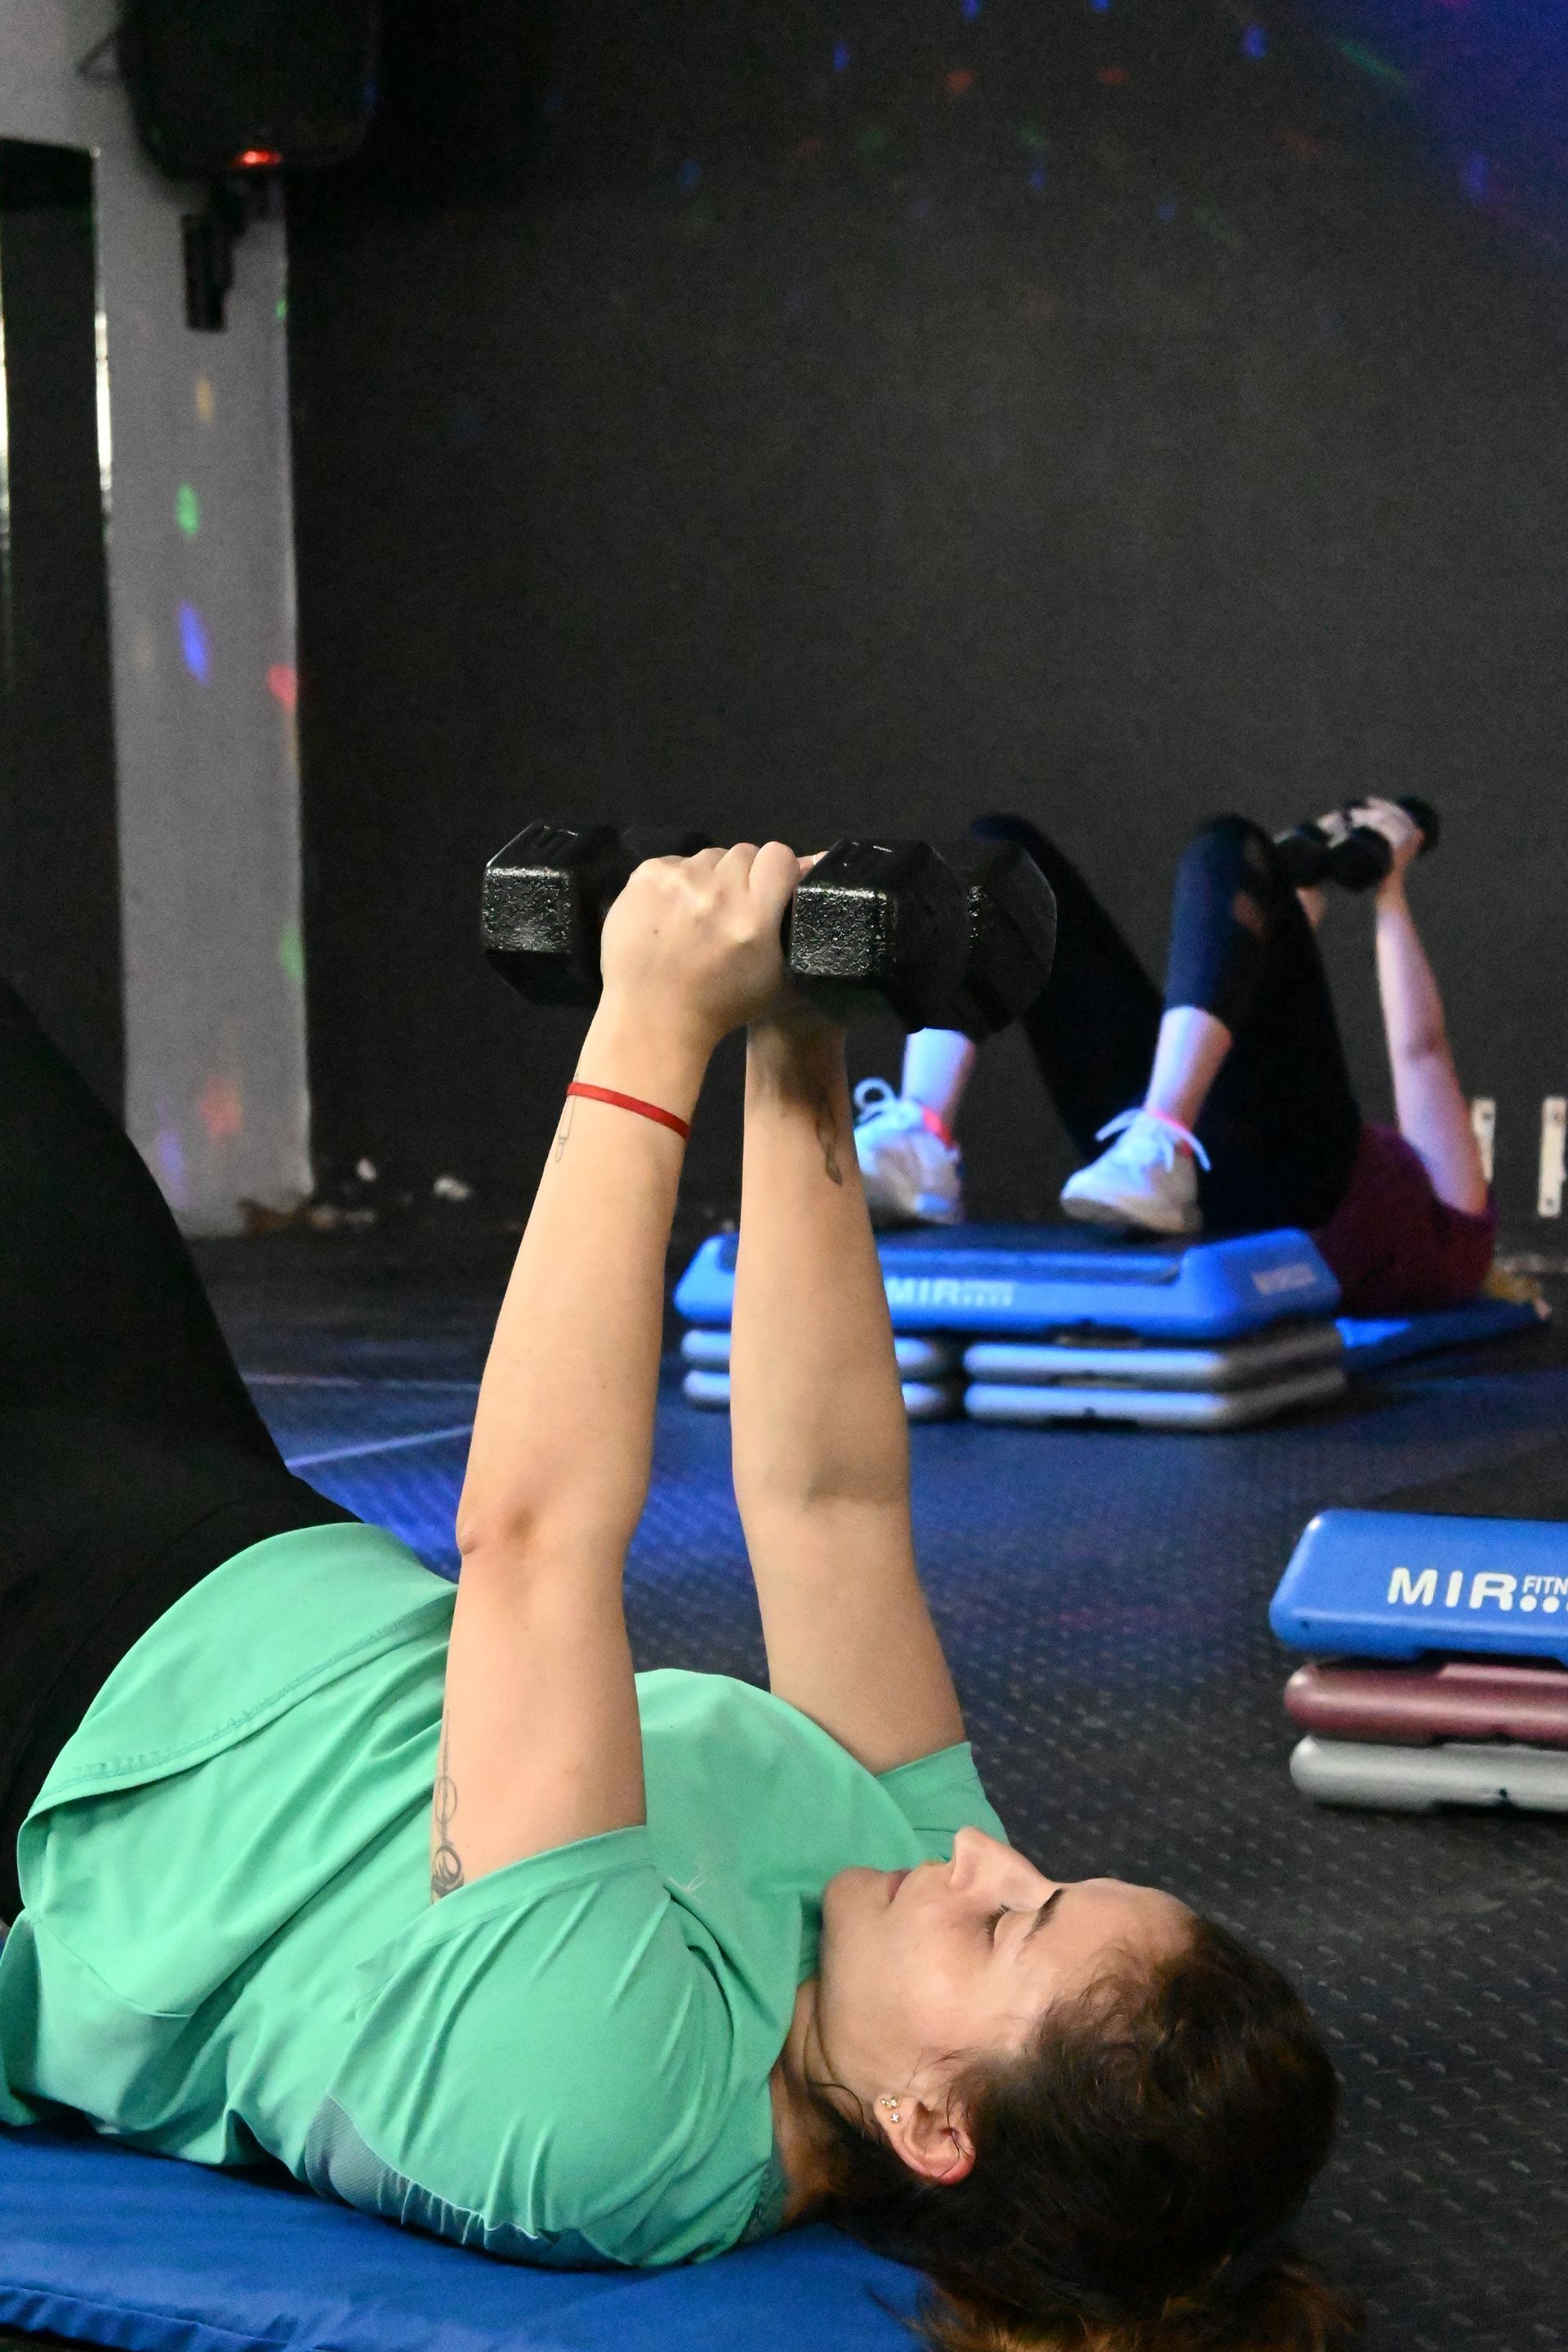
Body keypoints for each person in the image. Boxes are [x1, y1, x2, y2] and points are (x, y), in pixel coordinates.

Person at [0, 849, 1353, 2351]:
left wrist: (650, 1020)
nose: (982, 1856)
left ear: (933, 2127)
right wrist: (799, 1040)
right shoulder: (900, 1903)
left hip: (57, 1746)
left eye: (1007, 1926)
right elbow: (832, 1505)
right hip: (226, 1545)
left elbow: (532, 1541)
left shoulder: (610, 2112)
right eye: (1045, 1880)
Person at [854, 802, 1494, 1316]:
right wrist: (1307, 883)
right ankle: (924, 1138)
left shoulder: (1462, 1241)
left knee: (1234, 844)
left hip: (1286, 1197)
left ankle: (1161, 1137)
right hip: (1165, 1157)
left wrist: (1390, 889)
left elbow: (1420, 1052)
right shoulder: (1444, 1230)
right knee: (1000, 854)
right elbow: (1261, 988)